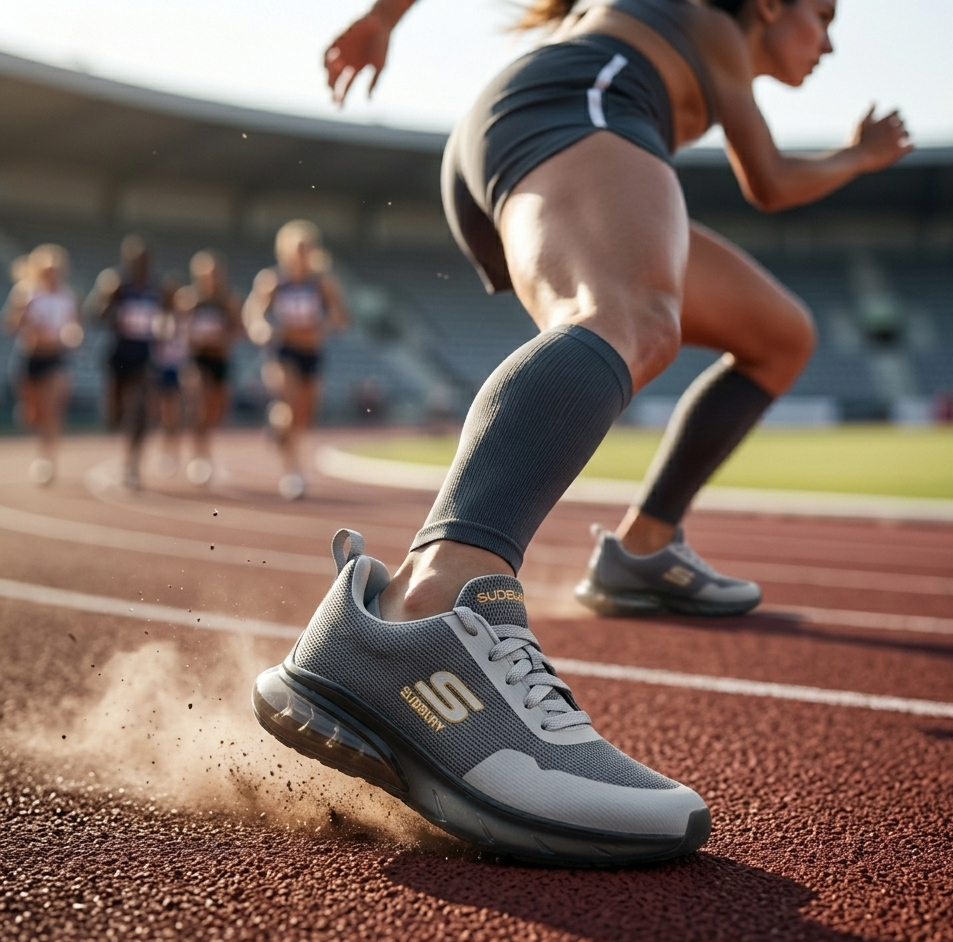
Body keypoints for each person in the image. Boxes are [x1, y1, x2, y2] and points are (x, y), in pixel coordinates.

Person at [253, 0, 911, 864]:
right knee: (628, 316)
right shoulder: (706, 21)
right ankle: (428, 605)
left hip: (554, 119)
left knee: (779, 335)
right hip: (566, 112)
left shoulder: (700, 48)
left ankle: (644, 547)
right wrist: (384, 16)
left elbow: (772, 182)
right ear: (770, 5)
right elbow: (771, 183)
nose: (828, 41)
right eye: (822, 16)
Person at [243, 220, 349, 499]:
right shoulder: (274, 281)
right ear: (286, 250)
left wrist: (330, 324)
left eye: (307, 248)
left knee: (303, 416)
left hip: (311, 354)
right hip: (283, 353)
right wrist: (260, 327)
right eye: (298, 248)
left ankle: (276, 422)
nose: (302, 254)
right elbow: (254, 309)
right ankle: (293, 472)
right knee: (288, 403)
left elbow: (340, 317)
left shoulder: (322, 283)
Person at [86, 234, 162, 490]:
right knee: (116, 415)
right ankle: (114, 417)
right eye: (134, 259)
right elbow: (95, 315)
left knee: (141, 412)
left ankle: (133, 464)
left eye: (144, 259)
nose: (140, 263)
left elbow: (165, 322)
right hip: (118, 358)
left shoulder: (155, 290)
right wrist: (106, 298)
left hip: (144, 360)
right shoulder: (117, 284)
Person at [3, 244, 83, 485]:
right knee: (32, 416)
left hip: (55, 359)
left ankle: (47, 460)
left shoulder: (67, 296)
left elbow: (73, 326)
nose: (53, 274)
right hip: (30, 359)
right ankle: (36, 429)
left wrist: (72, 335)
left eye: (57, 270)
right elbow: (10, 326)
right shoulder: (26, 293)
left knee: (51, 411)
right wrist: (22, 316)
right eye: (48, 270)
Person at [178, 250, 242, 486]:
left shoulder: (228, 301)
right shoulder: (189, 300)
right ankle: (200, 456)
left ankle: (205, 445)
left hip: (221, 361)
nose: (211, 279)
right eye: (206, 274)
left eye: (215, 274)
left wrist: (223, 339)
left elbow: (239, 330)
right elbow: (180, 332)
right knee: (198, 406)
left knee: (215, 411)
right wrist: (197, 338)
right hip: (197, 360)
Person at [151, 273, 189, 478]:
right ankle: (167, 452)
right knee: (166, 415)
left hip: (181, 368)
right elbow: (159, 342)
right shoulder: (162, 318)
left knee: (179, 415)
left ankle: (175, 452)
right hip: (164, 368)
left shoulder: (187, 319)